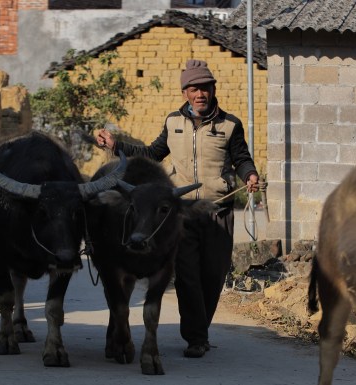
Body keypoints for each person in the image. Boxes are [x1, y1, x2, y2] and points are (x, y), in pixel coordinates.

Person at [95, 59, 260, 358]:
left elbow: (242, 157)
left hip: (218, 210)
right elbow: (151, 153)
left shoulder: (230, 124)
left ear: (213, 90)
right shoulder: (173, 122)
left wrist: (249, 174)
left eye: (205, 88)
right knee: (187, 276)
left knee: (214, 275)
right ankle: (196, 338)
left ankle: (200, 329)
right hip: (179, 212)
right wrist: (118, 146)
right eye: (194, 89)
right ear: (185, 92)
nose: (200, 94)